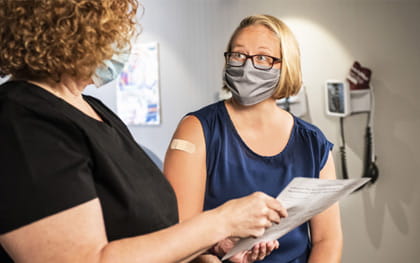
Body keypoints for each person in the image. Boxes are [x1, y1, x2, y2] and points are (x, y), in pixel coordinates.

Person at [0, 2, 288, 263]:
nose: (123, 40)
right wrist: (221, 221)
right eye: (113, 28)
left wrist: (211, 247)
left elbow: (146, 234)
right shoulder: (21, 121)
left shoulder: (95, 110)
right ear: (73, 31)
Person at [164, 14, 343, 263]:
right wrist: (216, 250)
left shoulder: (312, 143)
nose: (247, 66)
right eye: (238, 55)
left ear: (285, 65)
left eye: (262, 58)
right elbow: (178, 239)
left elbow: (328, 240)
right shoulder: (197, 130)